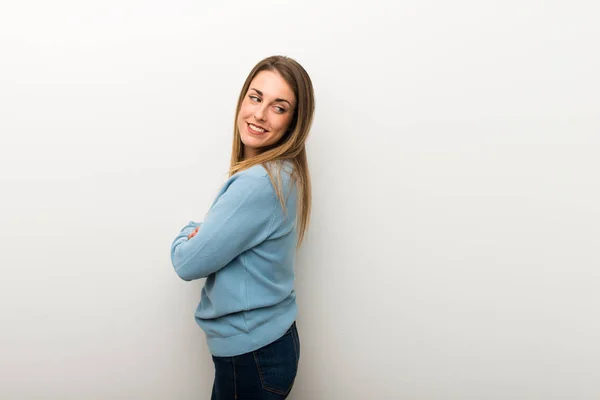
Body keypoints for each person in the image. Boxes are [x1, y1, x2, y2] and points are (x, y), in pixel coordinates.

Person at [170, 55, 315, 399]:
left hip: (253, 356)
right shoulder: (285, 173)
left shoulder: (259, 183)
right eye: (255, 97)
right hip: (269, 346)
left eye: (279, 107)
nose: (260, 114)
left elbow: (186, 262)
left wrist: (190, 231)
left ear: (294, 122)